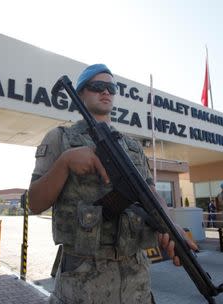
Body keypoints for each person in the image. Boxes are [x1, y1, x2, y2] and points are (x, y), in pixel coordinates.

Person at [28, 64, 197, 304]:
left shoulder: (133, 146)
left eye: (111, 88)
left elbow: (149, 193)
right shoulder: (61, 138)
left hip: (135, 283)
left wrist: (171, 227)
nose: (105, 92)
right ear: (80, 93)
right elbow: (34, 203)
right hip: (81, 283)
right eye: (97, 86)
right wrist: (64, 163)